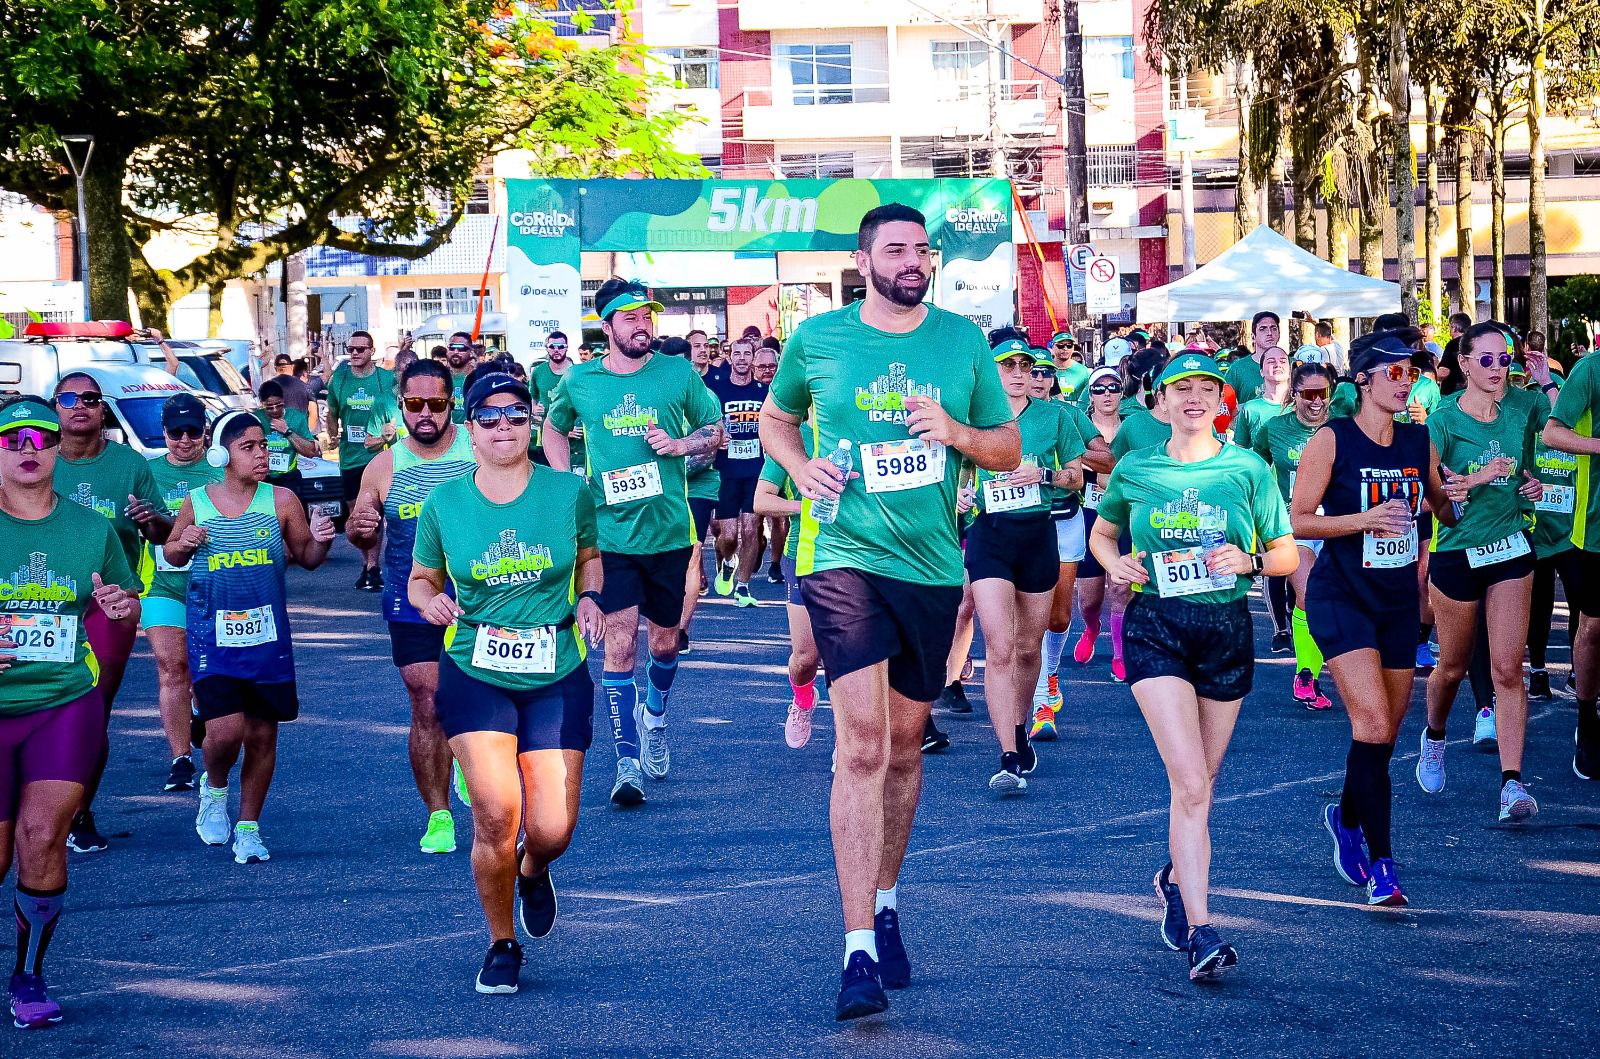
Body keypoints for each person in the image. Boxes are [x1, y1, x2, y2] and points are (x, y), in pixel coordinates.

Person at [759, 203, 1019, 1020]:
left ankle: (887, 896)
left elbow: (1008, 447)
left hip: (933, 566)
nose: (913, 260)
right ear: (864, 257)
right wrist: (799, 468)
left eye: (923, 249)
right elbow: (775, 418)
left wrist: (955, 431)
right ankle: (856, 950)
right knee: (863, 744)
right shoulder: (820, 339)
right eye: (896, 248)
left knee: (906, 748)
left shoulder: (961, 341)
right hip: (845, 558)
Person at [1090, 352, 1296, 981]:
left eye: (1207, 387)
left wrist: (1251, 563)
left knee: (1202, 783)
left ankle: (1176, 879)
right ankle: (1203, 932)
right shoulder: (1136, 467)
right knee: (1190, 782)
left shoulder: (1248, 468)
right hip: (1158, 627)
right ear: (1159, 403)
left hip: (1226, 630)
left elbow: (1285, 553)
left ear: (1220, 400)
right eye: (1182, 389)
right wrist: (1113, 563)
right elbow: (1104, 534)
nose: (1195, 397)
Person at [406, 372, 604, 994]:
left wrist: (591, 597)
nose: (502, 428)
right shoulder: (445, 504)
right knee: (496, 811)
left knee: (552, 827)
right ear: (470, 429)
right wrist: (428, 602)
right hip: (474, 668)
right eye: (488, 418)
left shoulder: (569, 492)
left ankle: (533, 867)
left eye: (515, 416)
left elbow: (592, 557)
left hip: (555, 668)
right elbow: (420, 578)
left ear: (531, 423)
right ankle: (500, 942)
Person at [543, 279, 723, 806]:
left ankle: (657, 718)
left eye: (648, 316)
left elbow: (716, 429)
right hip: (610, 534)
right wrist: (567, 481)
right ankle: (627, 763)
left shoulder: (677, 372)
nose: (643, 325)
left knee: (664, 643)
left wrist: (680, 442)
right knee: (619, 644)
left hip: (668, 531)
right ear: (607, 327)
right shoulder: (581, 381)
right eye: (631, 317)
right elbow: (553, 431)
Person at [1293, 336, 1456, 906]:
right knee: (1371, 724)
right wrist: (1364, 519)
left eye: (1409, 371)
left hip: (1394, 603)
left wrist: (1456, 493)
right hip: (1340, 598)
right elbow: (1300, 521)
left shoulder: (1418, 438)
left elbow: (1439, 506)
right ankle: (1383, 867)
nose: (1403, 380)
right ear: (1362, 380)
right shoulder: (1332, 440)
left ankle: (1345, 815)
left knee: (1383, 735)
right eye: (1391, 371)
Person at [0, 396, 142, 1029]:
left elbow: (122, 602)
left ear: (59, 449)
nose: (30, 450)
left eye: (42, 439)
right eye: (13, 440)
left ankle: (29, 975)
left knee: (41, 837)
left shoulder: (92, 529)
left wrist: (119, 609)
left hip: (63, 704)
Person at [165, 411, 335, 864]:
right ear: (222, 454)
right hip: (212, 638)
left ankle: (249, 828)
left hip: (268, 641)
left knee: (262, 736)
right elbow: (172, 553)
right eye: (249, 447)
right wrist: (185, 542)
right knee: (224, 733)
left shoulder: (281, 500)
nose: (262, 454)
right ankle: (214, 786)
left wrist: (321, 538)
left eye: (264, 445)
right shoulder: (198, 502)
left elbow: (308, 557)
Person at [344, 360, 477, 854]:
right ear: (400, 405)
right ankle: (438, 814)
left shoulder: (477, 448)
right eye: (414, 405)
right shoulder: (384, 466)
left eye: (436, 405)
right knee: (427, 704)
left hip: (480, 597)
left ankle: (466, 757)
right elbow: (362, 527)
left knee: (473, 699)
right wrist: (360, 530)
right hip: (412, 601)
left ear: (452, 405)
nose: (425, 415)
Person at [1417, 323, 1545, 822]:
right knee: (1451, 665)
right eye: (1487, 360)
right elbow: (1431, 495)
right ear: (1464, 364)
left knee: (1508, 669)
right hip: (1456, 552)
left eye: (1505, 358)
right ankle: (1436, 734)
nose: (1498, 368)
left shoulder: (1523, 405)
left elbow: (1554, 432)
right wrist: (1468, 482)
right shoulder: (1442, 421)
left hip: (1510, 545)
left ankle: (1512, 784)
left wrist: (1531, 485)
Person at [51, 372, 172, 853]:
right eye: (68, 398)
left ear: (104, 410)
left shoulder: (129, 465)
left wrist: (152, 519)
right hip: (43, 602)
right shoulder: (35, 461)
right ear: (54, 407)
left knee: (89, 708)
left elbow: (164, 536)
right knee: (37, 704)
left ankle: (79, 811)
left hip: (111, 605)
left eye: (90, 399)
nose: (79, 406)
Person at [966, 340, 1085, 789]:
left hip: (1038, 534)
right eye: (1007, 364)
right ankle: (1009, 753)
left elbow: (1076, 476)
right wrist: (960, 496)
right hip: (989, 536)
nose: (1018, 372)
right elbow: (955, 468)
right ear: (993, 370)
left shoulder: (1055, 416)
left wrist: (1046, 476)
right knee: (999, 646)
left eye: (1025, 365)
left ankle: (1020, 724)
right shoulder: (975, 419)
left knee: (1028, 648)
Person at [143, 394, 225, 793]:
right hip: (163, 586)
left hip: (215, 589)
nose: (185, 439)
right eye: (176, 432)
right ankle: (180, 759)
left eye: (194, 431)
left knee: (202, 673)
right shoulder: (147, 471)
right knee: (171, 664)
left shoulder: (220, 472)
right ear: (164, 433)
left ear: (205, 431)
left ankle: (197, 709)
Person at [1252, 362, 1337, 709]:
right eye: (1308, 395)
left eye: (1323, 394)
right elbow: (1252, 469)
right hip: (1293, 526)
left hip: (1337, 523)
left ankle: (1330, 663)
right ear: (1295, 394)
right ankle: (1306, 675)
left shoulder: (1342, 428)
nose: (1316, 402)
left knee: (1334, 600)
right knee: (1309, 592)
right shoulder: (1274, 429)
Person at [323, 330, 401, 590]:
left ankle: (373, 567)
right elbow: (332, 411)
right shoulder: (340, 379)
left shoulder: (385, 379)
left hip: (379, 455)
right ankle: (366, 562)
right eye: (351, 349)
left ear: (372, 352)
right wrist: (332, 435)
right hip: (350, 457)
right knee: (359, 515)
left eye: (360, 349)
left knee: (376, 513)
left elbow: (399, 405)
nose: (354, 353)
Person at [1232, 345, 1294, 653]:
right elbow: (1242, 454)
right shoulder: (1251, 409)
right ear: (1261, 370)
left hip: (1301, 496)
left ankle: (1298, 621)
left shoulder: (1303, 406)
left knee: (1299, 561)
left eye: (1282, 360)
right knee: (1273, 562)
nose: (1277, 365)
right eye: (1270, 361)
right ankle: (1280, 627)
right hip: (1266, 498)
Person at [755, 447, 818, 749]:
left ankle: (846, 744)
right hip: (803, 555)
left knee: (843, 657)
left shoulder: (854, 428)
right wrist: (804, 505)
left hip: (854, 557)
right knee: (806, 657)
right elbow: (761, 500)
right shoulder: (791, 438)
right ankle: (802, 700)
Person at [709, 338, 769, 607]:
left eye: (748, 354)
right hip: (725, 470)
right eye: (737, 354)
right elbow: (704, 423)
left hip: (756, 469)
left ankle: (743, 586)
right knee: (729, 536)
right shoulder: (717, 389)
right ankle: (728, 561)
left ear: (753, 359)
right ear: (730, 357)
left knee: (751, 527)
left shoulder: (763, 391)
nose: (742, 358)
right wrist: (716, 436)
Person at [1070, 367, 1124, 670]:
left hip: (1125, 516)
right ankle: (1091, 628)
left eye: (1113, 387)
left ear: (1121, 392)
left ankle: (1119, 653)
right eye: (1099, 389)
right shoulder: (1080, 428)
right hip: (1090, 515)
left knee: (1121, 587)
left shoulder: (1131, 427)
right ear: (1090, 395)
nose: (1107, 394)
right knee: (1090, 599)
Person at [256, 380, 319, 494]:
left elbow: (310, 452)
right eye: (269, 407)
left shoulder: (296, 417)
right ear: (262, 403)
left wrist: (287, 431)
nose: (275, 410)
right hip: (264, 478)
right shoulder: (256, 419)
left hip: (289, 477)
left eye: (279, 405)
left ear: (284, 400)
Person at [1221, 311, 1280, 405]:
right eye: (1263, 329)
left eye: (1273, 328)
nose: (1269, 333)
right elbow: (1224, 405)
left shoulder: (1292, 365)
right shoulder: (1237, 369)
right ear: (1253, 336)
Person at [443, 332, 476, 423]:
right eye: (452, 348)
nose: (456, 352)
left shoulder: (478, 378)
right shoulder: (440, 377)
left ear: (470, 352)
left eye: (461, 348)